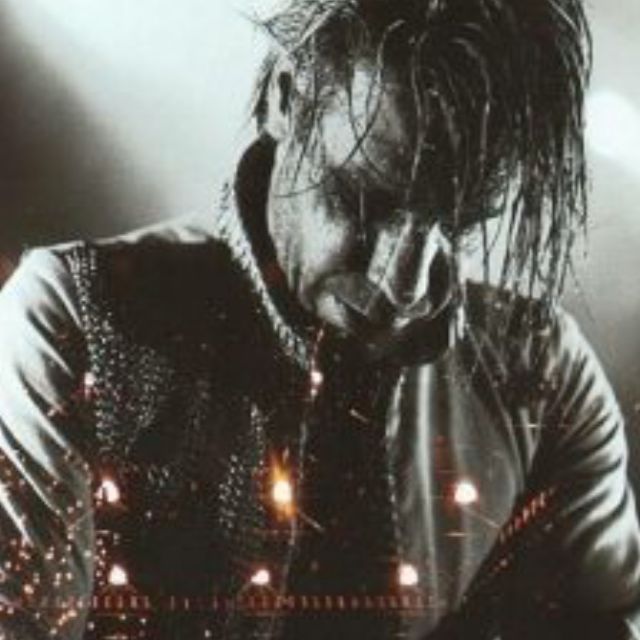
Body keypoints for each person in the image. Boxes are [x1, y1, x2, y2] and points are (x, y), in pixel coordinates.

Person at [0, 0, 638, 638]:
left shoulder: (545, 378)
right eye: (363, 201)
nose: (405, 283)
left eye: (455, 223)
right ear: (286, 96)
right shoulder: (76, 320)